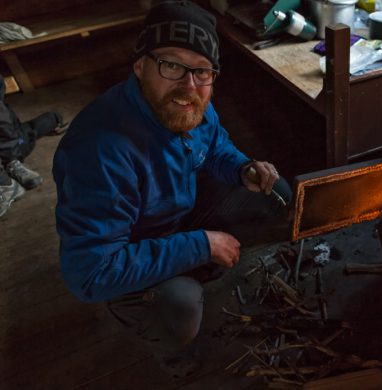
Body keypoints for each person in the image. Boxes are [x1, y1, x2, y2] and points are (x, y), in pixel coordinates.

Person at [52, 0, 291, 379]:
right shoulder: (100, 150)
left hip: (175, 215)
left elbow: (214, 147)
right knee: (178, 305)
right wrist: (202, 245)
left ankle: (188, 268)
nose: (188, 85)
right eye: (171, 65)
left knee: (274, 190)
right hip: (124, 247)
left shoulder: (193, 103)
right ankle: (155, 326)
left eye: (201, 71)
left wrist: (243, 168)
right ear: (140, 66)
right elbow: (90, 272)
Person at [0, 74, 66, 217]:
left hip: (9, 140)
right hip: (8, 136)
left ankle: (8, 184)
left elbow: (3, 124)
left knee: (23, 139)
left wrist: (9, 158)